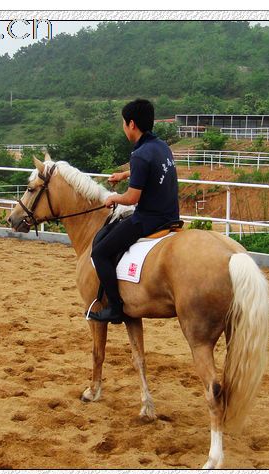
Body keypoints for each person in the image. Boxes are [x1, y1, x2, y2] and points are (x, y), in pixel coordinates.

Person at [88, 99, 180, 323]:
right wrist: (124, 175)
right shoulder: (160, 146)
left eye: (123, 123)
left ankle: (116, 308)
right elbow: (149, 167)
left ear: (131, 124)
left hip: (148, 219)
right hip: (171, 215)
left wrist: (113, 198)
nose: (123, 127)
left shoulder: (139, 154)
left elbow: (131, 198)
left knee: (99, 252)